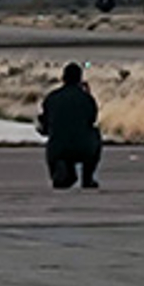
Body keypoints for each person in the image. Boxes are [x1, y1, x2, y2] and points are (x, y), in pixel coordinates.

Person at [37, 61, 102, 190]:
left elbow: (44, 124)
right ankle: (87, 178)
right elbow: (92, 119)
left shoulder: (52, 97)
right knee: (95, 134)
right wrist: (87, 93)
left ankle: (61, 170)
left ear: (63, 78)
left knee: (56, 144)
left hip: (58, 148)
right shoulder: (86, 98)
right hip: (83, 147)